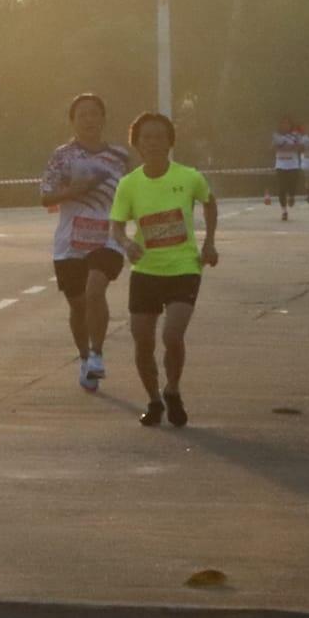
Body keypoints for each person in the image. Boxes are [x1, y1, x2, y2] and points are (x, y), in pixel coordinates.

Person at [109, 112, 218, 428]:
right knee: (143, 341)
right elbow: (116, 225)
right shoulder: (129, 185)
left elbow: (209, 202)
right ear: (137, 143)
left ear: (170, 141)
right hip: (146, 271)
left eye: (159, 136)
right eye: (146, 137)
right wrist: (126, 243)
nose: (153, 142)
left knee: (172, 335)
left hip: (184, 268)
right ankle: (154, 400)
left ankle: (173, 389)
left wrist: (209, 243)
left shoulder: (189, 177)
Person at [37, 93, 132, 392]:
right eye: (82, 115)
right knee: (78, 306)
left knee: (95, 291)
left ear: (103, 118)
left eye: (94, 114)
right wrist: (73, 191)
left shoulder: (120, 157)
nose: (89, 120)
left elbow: (133, 193)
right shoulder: (62, 156)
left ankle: (97, 354)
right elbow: (45, 196)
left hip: (107, 238)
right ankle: (84, 357)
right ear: (73, 121)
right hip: (70, 242)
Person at [271, 115, 303, 222]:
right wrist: (287, 147)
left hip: (293, 164)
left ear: (290, 125)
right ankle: (284, 211)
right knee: (282, 188)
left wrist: (285, 147)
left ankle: (292, 196)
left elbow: (299, 147)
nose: (285, 125)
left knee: (292, 185)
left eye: (287, 123)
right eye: (283, 123)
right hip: (281, 164)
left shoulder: (295, 135)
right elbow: (274, 147)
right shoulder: (276, 135)